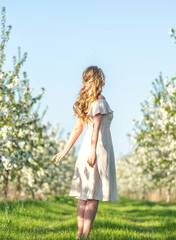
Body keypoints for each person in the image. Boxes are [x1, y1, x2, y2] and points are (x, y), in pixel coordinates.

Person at [52, 65, 119, 239]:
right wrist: (93, 151)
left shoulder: (85, 103)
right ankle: (85, 235)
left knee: (83, 195)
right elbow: (96, 128)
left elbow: (77, 129)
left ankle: (80, 233)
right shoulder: (99, 101)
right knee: (94, 195)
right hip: (97, 149)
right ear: (99, 81)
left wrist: (65, 150)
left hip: (85, 150)